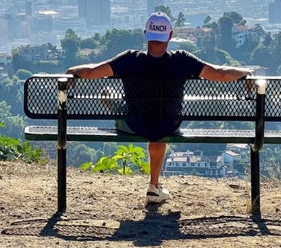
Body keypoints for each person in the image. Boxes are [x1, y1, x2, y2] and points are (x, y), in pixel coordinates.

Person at [66, 11, 252, 204]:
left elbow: (90, 72)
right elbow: (220, 74)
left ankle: (117, 105)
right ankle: (154, 185)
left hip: (133, 123)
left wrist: (72, 71)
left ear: (145, 34)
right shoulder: (182, 59)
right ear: (170, 36)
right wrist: (245, 72)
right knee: (158, 124)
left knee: (110, 93)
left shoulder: (129, 58)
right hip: (168, 124)